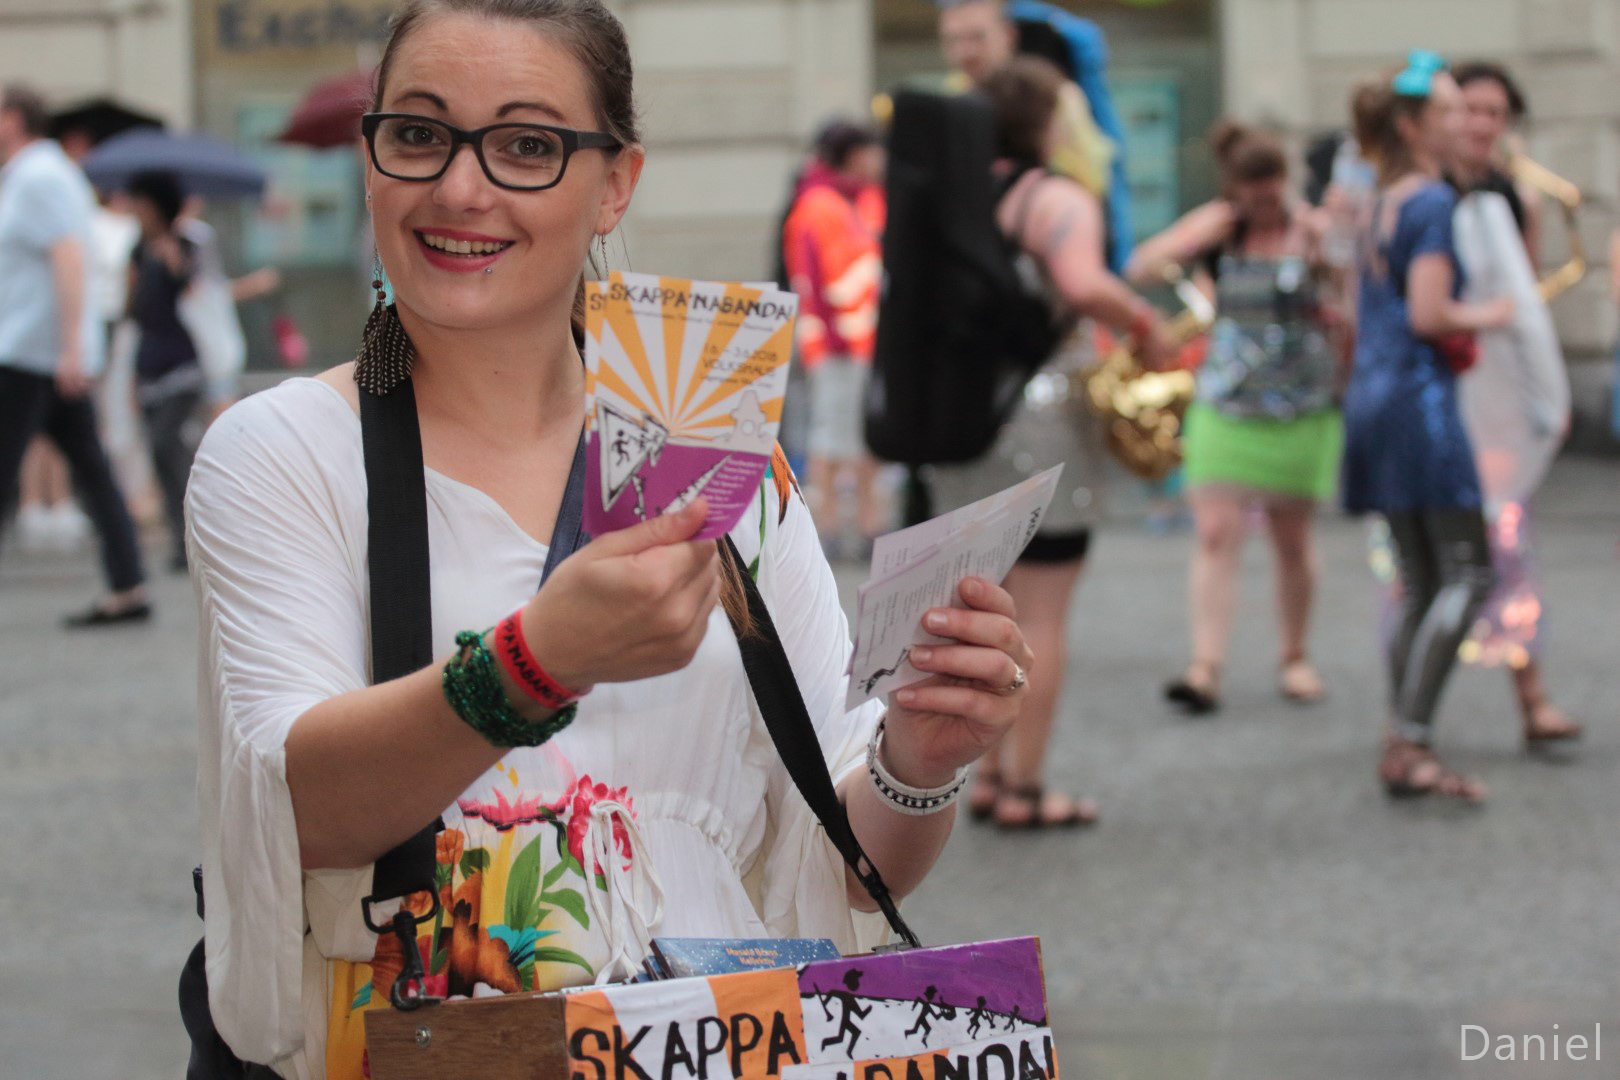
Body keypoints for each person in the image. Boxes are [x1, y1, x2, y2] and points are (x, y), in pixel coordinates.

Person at [186, 2, 1033, 1074]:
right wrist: (532, 664)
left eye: (525, 146)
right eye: (419, 134)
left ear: (615, 184)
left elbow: (848, 858)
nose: (460, 188)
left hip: (718, 1046)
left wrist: (921, 757)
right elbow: (292, 812)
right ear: (371, 159)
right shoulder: (285, 451)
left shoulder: (710, 448)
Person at [928, 56, 1173, 830]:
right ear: (1042, 122)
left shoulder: (956, 195)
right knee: (1040, 616)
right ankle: (1025, 787)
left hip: (961, 423)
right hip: (1041, 422)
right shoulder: (1055, 197)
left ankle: (987, 775)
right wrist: (1146, 322)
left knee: (981, 605)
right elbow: (1080, 282)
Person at [1341, 53, 1513, 803]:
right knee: (1467, 574)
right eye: (1446, 110)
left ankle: (1402, 736)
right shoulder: (1435, 200)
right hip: (1420, 401)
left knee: (1419, 579)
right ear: (1412, 126)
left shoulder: (1377, 198)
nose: (1461, 120)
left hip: (1375, 396)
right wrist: (1495, 313)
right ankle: (1411, 742)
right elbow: (1429, 313)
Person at [1129, 122, 1346, 714]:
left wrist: (1327, 249)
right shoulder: (1223, 231)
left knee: (1291, 540)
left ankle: (1295, 656)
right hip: (1227, 404)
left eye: (1273, 183)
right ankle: (1205, 666)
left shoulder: (1310, 230)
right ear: (1236, 187)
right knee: (1215, 533)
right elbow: (1139, 266)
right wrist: (1197, 233)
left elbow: (1353, 292)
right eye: (1254, 187)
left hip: (1300, 407)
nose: (1266, 197)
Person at [1445, 60, 1582, 747]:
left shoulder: (1513, 199)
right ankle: (1412, 715)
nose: (1480, 123)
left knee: (1509, 543)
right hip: (1438, 388)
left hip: (1495, 391)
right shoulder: (1422, 193)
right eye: (1468, 109)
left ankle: (1532, 698)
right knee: (1422, 557)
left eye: (1493, 113)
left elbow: (1522, 304)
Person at [0, 83, 149, 626]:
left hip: (31, 352)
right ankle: (129, 584)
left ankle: (129, 583)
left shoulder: (37, 176)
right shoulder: (36, 174)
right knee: (92, 468)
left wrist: (70, 348)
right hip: (41, 350)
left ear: (14, 120)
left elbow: (67, 257)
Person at [782, 121, 887, 553]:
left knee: (849, 435)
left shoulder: (834, 199)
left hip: (842, 341)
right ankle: (836, 526)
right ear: (854, 154)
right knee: (834, 436)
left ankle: (855, 523)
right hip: (841, 343)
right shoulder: (825, 205)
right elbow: (842, 282)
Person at [124, 170, 204, 573]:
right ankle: (180, 538)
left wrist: (174, 260)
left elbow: (193, 289)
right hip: (148, 362)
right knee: (161, 454)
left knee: (165, 443)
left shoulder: (183, 243)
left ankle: (198, 528)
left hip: (181, 363)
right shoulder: (137, 250)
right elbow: (132, 309)